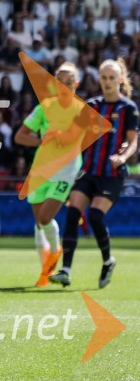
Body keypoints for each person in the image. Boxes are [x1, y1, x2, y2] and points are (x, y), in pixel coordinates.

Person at [50, 59, 139, 288]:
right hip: (89, 171)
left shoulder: (128, 108)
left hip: (112, 174)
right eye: (104, 78)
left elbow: (132, 142)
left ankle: (108, 261)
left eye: (111, 78)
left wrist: (123, 157)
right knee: (72, 213)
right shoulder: (91, 106)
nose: (107, 82)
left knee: (95, 217)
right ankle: (66, 271)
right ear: (99, 79)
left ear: (120, 80)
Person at [14, 62, 80, 287]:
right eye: (60, 81)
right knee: (39, 223)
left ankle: (55, 253)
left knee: (44, 217)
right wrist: (41, 141)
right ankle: (46, 269)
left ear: (76, 84)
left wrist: (62, 137)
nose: (65, 85)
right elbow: (20, 136)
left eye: (69, 82)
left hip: (66, 171)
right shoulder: (44, 108)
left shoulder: (81, 110)